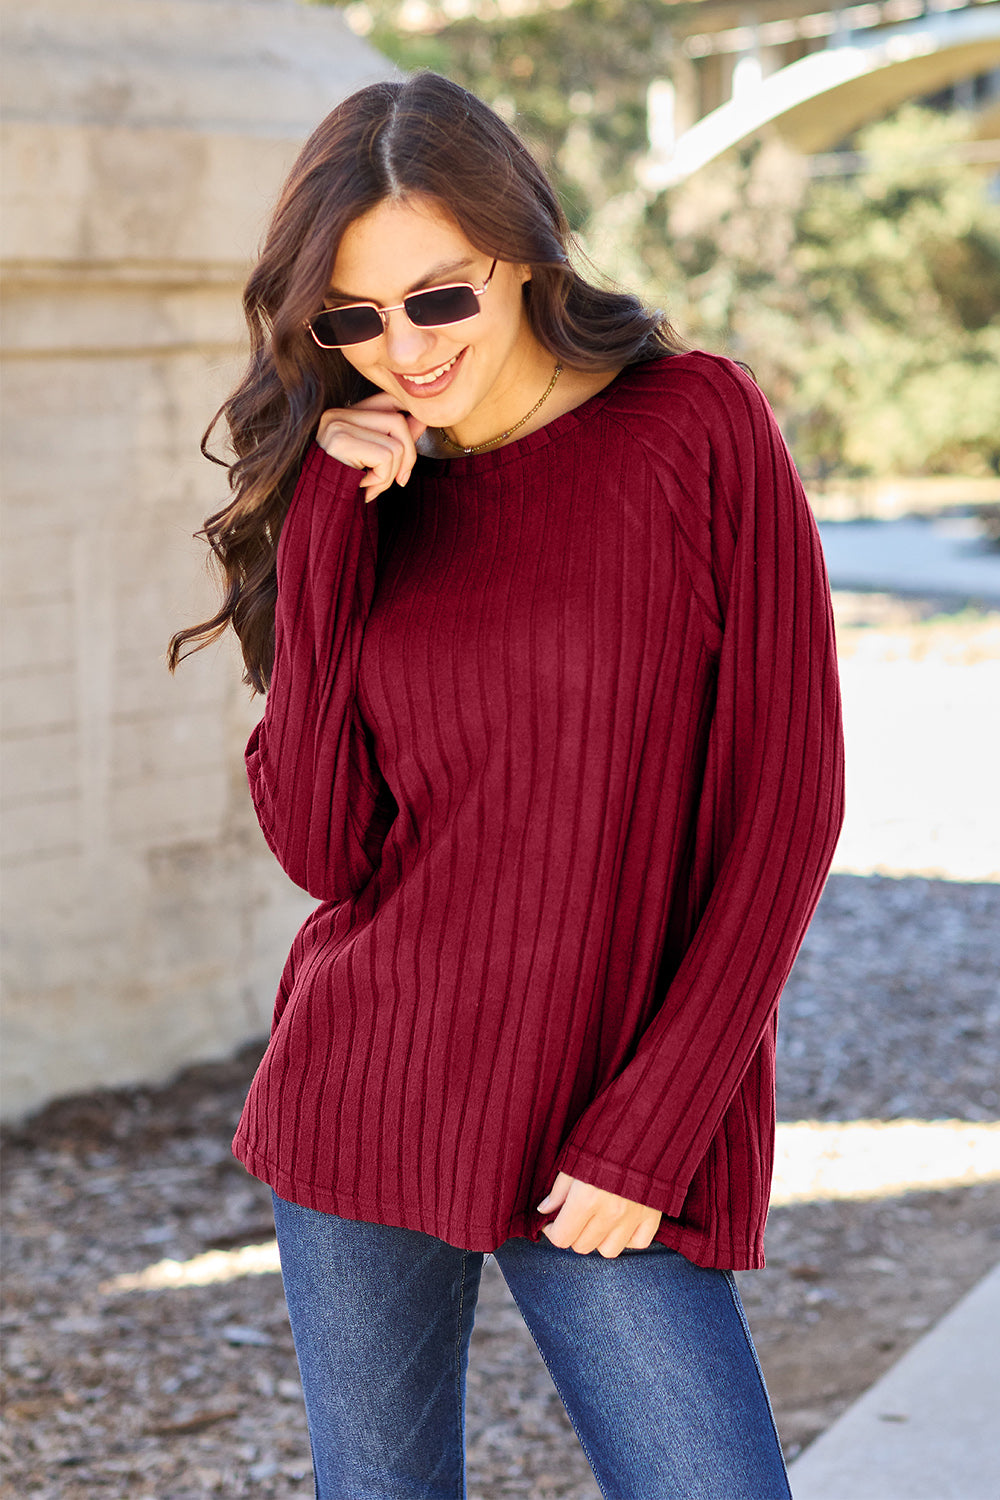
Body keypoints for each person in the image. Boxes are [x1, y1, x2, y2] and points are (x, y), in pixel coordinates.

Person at [169, 70, 844, 1500]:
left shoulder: (698, 428)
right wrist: (326, 549)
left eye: (438, 298)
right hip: (370, 1092)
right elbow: (327, 851)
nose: (400, 351)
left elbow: (786, 810)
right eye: (350, 320)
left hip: (606, 1120)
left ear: (525, 249)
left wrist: (655, 1127)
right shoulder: (362, 500)